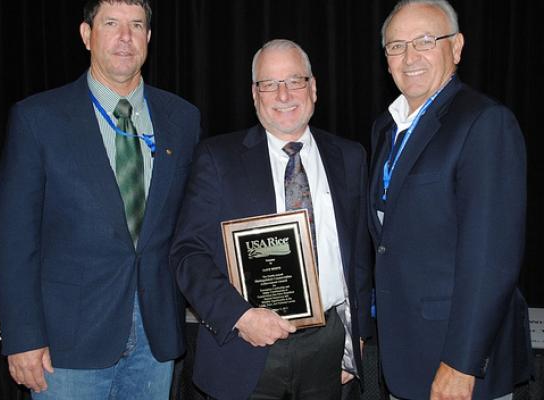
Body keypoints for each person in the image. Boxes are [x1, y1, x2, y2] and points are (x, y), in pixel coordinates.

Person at [0, 0, 200, 398]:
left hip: (156, 338)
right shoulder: (39, 118)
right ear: (87, 35)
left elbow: (190, 223)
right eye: (111, 24)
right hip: (66, 344)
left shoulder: (183, 118)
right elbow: (12, 238)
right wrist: (21, 337)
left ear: (149, 38)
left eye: (136, 25)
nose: (125, 37)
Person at [170, 39, 372, 400]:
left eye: (294, 80)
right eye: (269, 84)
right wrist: (240, 317)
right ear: (254, 94)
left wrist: (353, 340)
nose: (283, 94)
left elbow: (358, 257)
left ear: (313, 87)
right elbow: (188, 254)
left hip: (327, 346)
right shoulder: (218, 159)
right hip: (243, 348)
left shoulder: (350, 157)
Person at [369, 1, 533, 399]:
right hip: (404, 356)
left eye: (425, 41)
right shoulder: (385, 128)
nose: (409, 57)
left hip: (458, 365)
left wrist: (462, 363)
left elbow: (492, 259)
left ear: (456, 47)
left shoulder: (484, 123)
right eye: (396, 46)